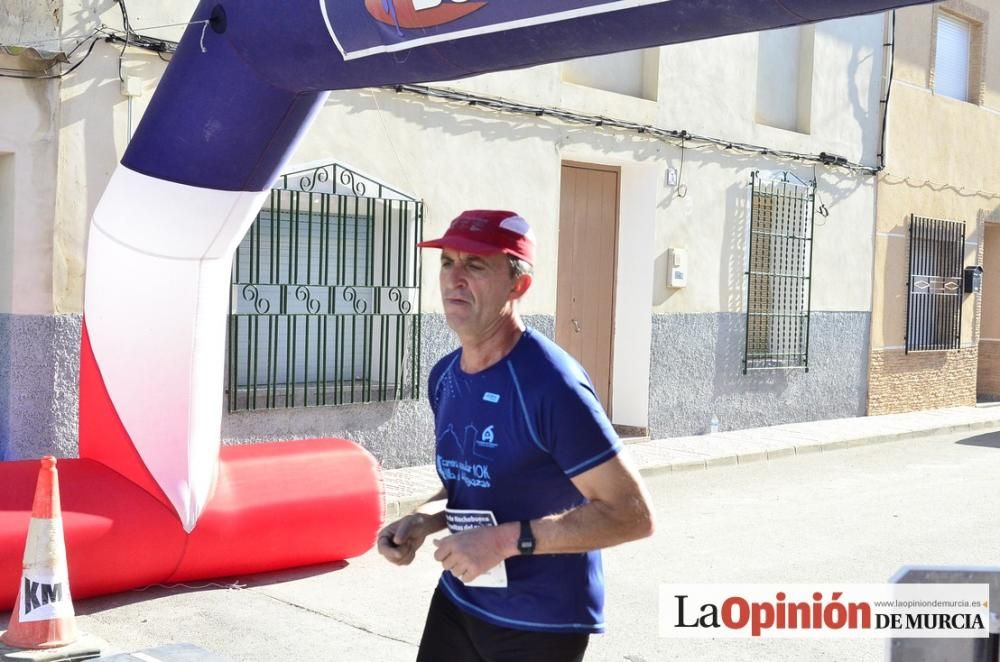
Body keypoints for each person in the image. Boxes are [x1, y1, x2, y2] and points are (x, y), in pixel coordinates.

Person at [378, 209, 654, 662]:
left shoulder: (551, 385)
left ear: (518, 285)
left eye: (476, 265)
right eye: (447, 262)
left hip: (540, 622)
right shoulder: (444, 376)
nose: (454, 279)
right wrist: (424, 518)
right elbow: (470, 481)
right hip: (461, 599)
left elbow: (633, 514)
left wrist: (505, 541)